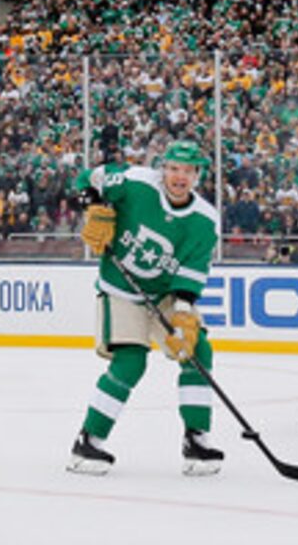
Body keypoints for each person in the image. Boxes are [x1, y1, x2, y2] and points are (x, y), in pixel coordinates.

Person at [66, 141, 225, 476]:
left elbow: (191, 273)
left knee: (198, 350)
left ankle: (196, 439)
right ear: (162, 168)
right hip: (120, 289)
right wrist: (92, 204)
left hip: (166, 294)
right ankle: (88, 441)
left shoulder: (204, 220)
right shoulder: (134, 181)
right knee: (130, 362)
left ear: (198, 175)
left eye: (188, 171)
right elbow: (87, 178)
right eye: (173, 169)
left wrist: (182, 314)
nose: (179, 177)